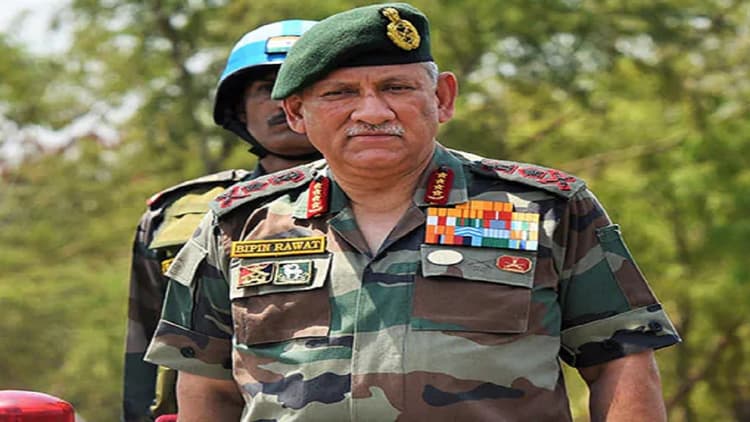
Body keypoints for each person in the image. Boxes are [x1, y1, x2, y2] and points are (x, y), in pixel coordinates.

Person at [145, 3, 681, 420]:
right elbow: (207, 387)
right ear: (297, 113)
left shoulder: (548, 209)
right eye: (340, 93)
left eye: (396, 87)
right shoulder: (238, 223)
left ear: (442, 98)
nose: (372, 111)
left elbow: (621, 363)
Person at [121, 19, 319, 422]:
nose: (285, 103)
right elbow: (142, 354)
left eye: (302, 85)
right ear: (237, 109)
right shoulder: (178, 215)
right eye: (267, 88)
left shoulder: (401, 201)